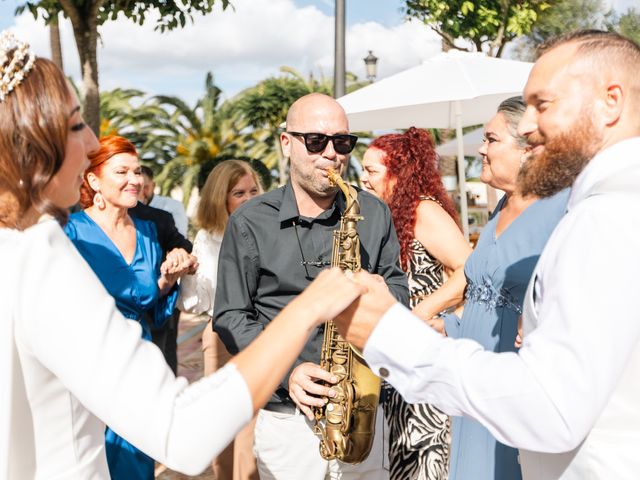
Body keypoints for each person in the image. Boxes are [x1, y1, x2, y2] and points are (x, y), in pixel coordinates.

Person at [0, 32, 364, 479]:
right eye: (76, 126)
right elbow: (181, 431)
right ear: (32, 145)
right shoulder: (40, 254)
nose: (93, 141)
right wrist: (307, 309)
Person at [333, 30, 640, 480]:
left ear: (611, 102)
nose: (529, 126)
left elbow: (548, 408)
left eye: (544, 104)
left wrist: (390, 336)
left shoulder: (608, 216)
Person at [213, 92, 409, 480]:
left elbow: (398, 289)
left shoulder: (373, 211)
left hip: (363, 415)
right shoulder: (250, 222)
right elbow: (232, 315)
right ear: (287, 143)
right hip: (288, 423)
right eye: (317, 141)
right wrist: (289, 370)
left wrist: (376, 294)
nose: (332, 154)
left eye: (343, 142)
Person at [443, 96, 568, 480]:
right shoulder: (501, 206)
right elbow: (482, 293)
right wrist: (444, 326)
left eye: (491, 139)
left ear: (527, 150)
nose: (480, 148)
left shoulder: (561, 208)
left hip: (515, 386)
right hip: (473, 379)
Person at [63, 135, 193, 479]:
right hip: (88, 368)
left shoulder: (150, 231)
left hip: (139, 366)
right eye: (122, 172)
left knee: (136, 462)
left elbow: (152, 304)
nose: (134, 180)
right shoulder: (69, 232)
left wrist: (169, 277)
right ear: (93, 180)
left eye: (137, 172)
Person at [361, 127, 471, 480]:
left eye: (371, 171)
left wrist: (419, 314)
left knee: (426, 461)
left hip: (427, 355)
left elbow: (468, 269)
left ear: (399, 171)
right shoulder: (392, 213)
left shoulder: (423, 210)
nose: (363, 179)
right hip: (403, 358)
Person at [178, 159, 263, 480]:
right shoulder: (208, 238)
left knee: (256, 425)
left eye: (253, 190)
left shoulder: (270, 231)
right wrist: (188, 272)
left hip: (262, 334)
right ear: (220, 198)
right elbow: (195, 301)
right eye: (238, 193)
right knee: (224, 424)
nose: (249, 198)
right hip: (222, 335)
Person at [138, 164, 191, 373]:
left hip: (159, 302)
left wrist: (177, 259)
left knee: (165, 347)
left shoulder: (162, 215)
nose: (137, 187)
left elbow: (182, 244)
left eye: (144, 184)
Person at [139, 165, 189, 236]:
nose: (141, 192)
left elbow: (180, 236)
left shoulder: (173, 206)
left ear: (153, 185)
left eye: (145, 187)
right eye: (138, 188)